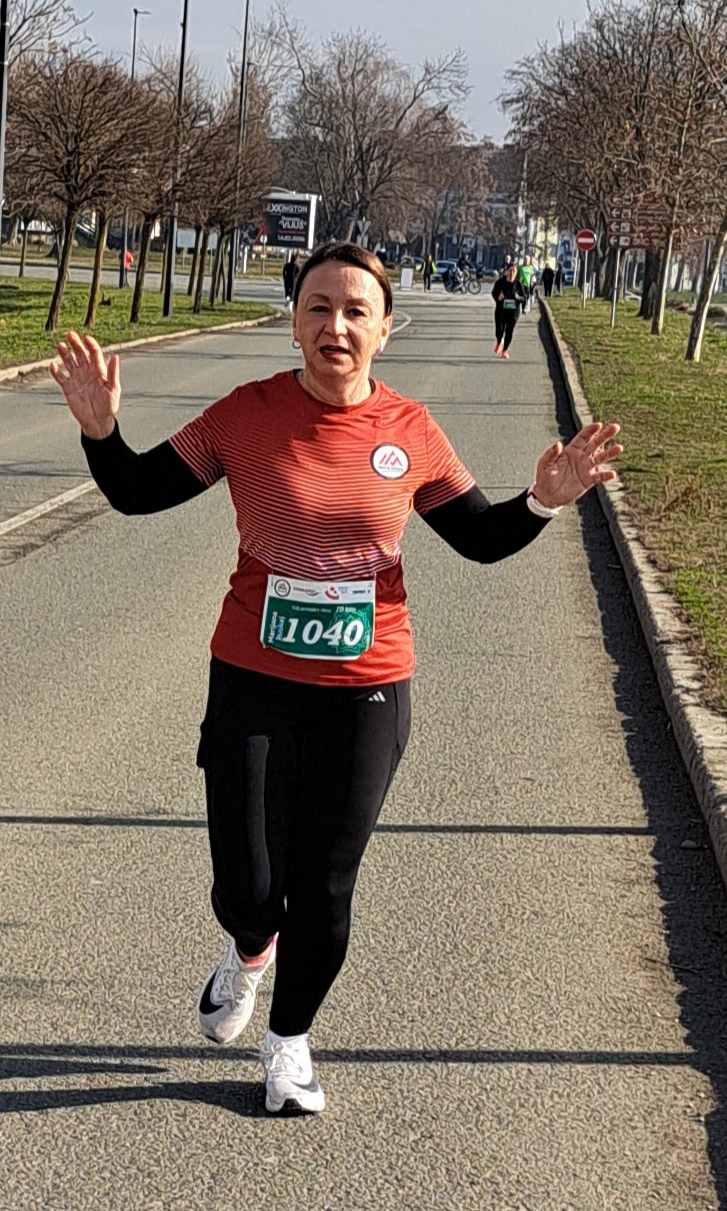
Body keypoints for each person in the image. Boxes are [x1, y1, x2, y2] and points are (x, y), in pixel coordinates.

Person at [47, 241, 622, 1114]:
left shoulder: (411, 431)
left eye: (357, 311)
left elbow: (478, 537)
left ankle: (290, 1043)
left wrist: (542, 500)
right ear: (294, 322)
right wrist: (101, 432)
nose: (336, 326)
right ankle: (250, 948)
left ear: (385, 331)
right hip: (253, 676)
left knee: (324, 881)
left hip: (368, 688)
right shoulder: (245, 415)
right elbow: (136, 491)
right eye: (319, 307)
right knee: (248, 884)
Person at [491, 262, 530, 358]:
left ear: (516, 272)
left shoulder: (518, 284)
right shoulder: (500, 282)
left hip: (513, 312)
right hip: (501, 310)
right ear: (507, 272)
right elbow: (494, 293)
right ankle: (499, 342)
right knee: (499, 330)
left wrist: (518, 298)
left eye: (514, 271)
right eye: (511, 271)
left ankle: (505, 350)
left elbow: (524, 297)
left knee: (509, 330)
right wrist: (498, 297)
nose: (512, 273)